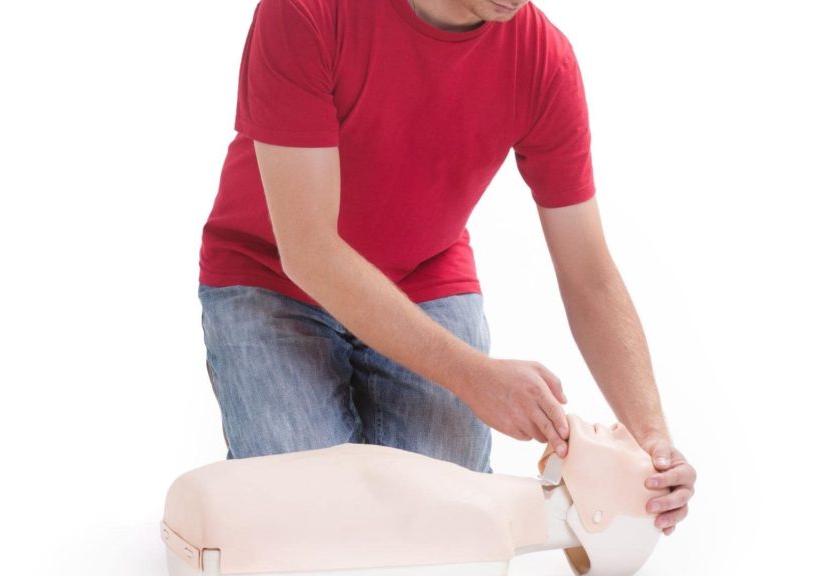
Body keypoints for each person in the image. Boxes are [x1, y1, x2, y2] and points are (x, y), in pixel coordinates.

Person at [197, 0, 696, 535]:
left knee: (448, 524)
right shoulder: (306, 10)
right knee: (311, 522)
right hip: (270, 276)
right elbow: (310, 252)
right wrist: (474, 377)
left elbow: (590, 274)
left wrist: (653, 440)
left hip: (424, 276)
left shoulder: (545, 61)